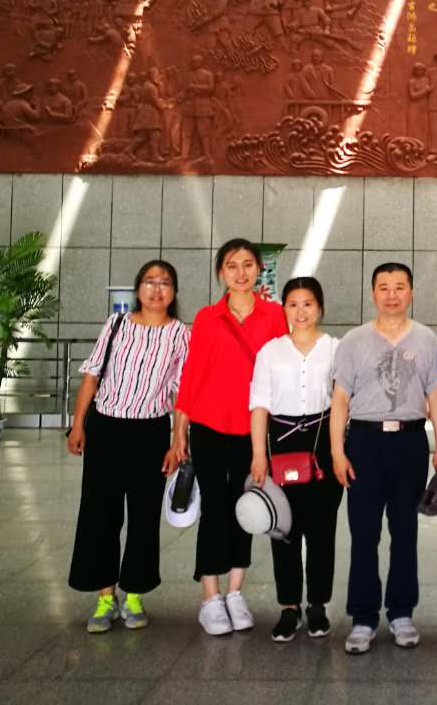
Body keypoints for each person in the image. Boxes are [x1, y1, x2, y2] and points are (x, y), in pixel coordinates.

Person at [168, 238, 289, 636]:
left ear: (259, 270)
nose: (241, 272)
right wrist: (179, 430)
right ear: (221, 272)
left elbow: (282, 370)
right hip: (208, 425)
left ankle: (235, 592)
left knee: (245, 509)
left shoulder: (274, 315)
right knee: (214, 510)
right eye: (232, 265)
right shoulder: (207, 318)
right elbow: (191, 375)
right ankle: (210, 596)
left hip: (252, 430)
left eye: (248, 264)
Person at [329, 263, 437, 654]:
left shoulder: (426, 339)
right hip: (364, 444)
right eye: (384, 287)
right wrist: (337, 452)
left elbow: (435, 397)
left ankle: (401, 613)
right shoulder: (354, 341)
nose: (392, 294)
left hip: (410, 445)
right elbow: (340, 400)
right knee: (364, 534)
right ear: (373, 293)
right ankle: (363, 618)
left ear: (411, 292)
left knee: (405, 532)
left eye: (400, 287)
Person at [67, 260, 189, 633]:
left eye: (164, 282)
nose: (156, 289)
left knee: (143, 516)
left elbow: (183, 393)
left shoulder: (181, 334)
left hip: (150, 433)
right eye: (149, 281)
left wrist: (177, 440)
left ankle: (134, 594)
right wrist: (78, 424)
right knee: (99, 514)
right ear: (138, 289)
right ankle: (106, 596)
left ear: (174, 291)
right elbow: (92, 376)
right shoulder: (117, 324)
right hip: (105, 429)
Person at [249, 277, 344, 643]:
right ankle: (289, 606)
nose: (301, 311)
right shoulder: (270, 351)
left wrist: (338, 452)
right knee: (284, 529)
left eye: (308, 304)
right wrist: (259, 455)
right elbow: (260, 404)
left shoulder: (336, 348)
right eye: (293, 304)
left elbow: (343, 402)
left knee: (322, 530)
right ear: (284, 308)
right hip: (281, 442)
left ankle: (318, 605)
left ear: (320, 307)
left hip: (323, 442)